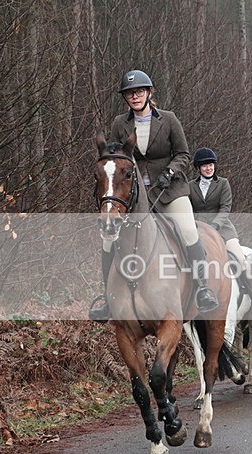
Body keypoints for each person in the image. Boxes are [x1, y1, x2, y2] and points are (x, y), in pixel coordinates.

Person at [89, 69, 219, 322]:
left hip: (170, 190)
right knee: (108, 239)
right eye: (130, 94)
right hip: (135, 195)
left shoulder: (168, 120)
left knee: (189, 230)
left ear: (149, 93)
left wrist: (170, 171)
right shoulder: (119, 123)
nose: (135, 96)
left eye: (139, 92)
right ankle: (107, 297)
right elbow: (116, 158)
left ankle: (202, 287)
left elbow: (183, 153)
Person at [188, 147, 252, 313]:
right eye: (204, 166)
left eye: (211, 165)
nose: (208, 168)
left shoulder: (223, 183)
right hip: (199, 229)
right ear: (198, 168)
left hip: (223, 229)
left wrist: (215, 225)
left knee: (240, 258)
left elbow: (225, 208)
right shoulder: (190, 186)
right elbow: (189, 209)